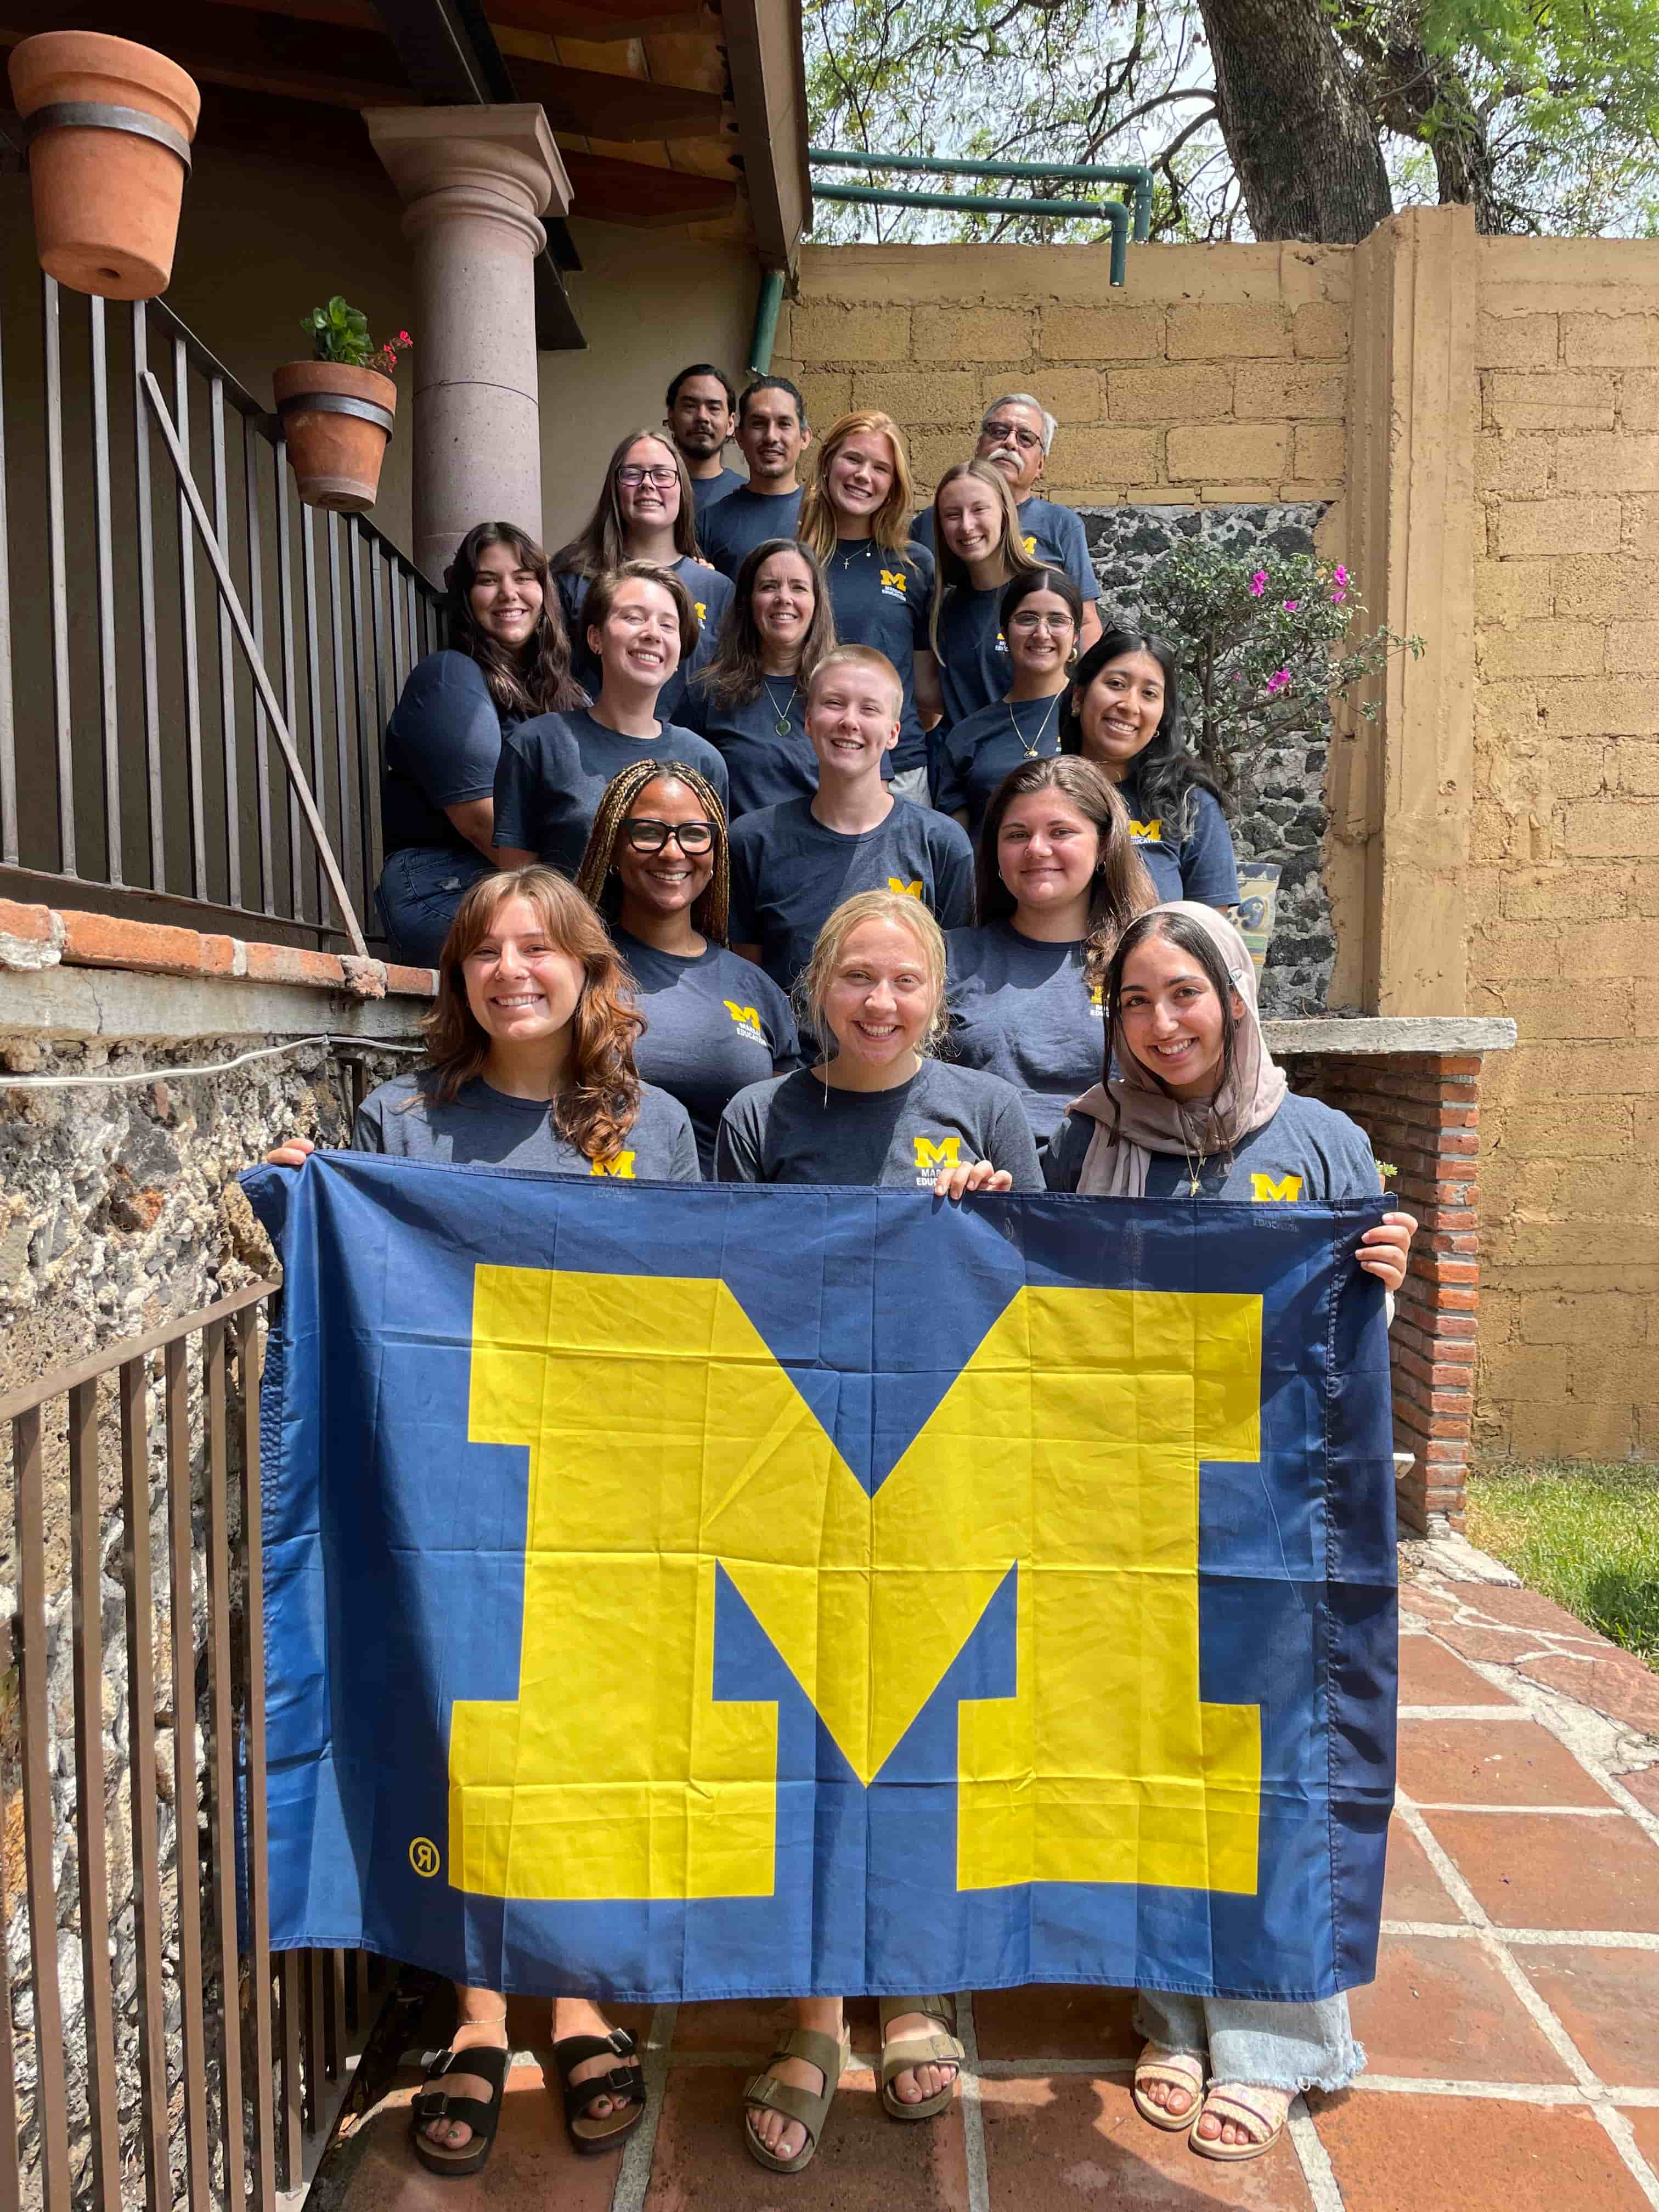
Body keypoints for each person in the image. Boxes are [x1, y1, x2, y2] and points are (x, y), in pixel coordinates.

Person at [262, 865, 700, 2177]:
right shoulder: (400, 1123)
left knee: (585, 1738)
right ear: (458, 981)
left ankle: (575, 2000)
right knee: (461, 1729)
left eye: (540, 948)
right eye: (485, 953)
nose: (514, 971)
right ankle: (475, 2017)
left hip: (608, 1487)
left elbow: (701, 1307)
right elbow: (353, 1280)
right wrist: (297, 1187)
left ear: (585, 971)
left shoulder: (655, 1125)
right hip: (444, 1490)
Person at [1043, 899, 1415, 2163]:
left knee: (1273, 1763)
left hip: (1273, 1518)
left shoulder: (1320, 1143)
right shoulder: (1087, 1143)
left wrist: (1386, 1264)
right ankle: (1174, 2008)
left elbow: (1355, 1342)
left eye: (1183, 995)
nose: (1160, 1025)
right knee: (1147, 1750)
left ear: (1238, 996)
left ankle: (1276, 2037)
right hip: (1126, 1510)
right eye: (1134, 1003)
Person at [716, 887, 1040, 2175]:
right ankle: (814, 2020)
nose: (882, 1003)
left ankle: (912, 1992)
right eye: (859, 979)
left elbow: (1043, 1286)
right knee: (805, 1733)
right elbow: (722, 1286)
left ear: (938, 997)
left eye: (906, 982)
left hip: (943, 1469)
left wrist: (992, 1213)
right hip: (796, 1465)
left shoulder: (990, 1109)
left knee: (917, 1725)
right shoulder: (759, 1117)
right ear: (818, 990)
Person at [574, 759, 800, 1174]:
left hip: (727, 1224)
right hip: (605, 1215)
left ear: (715, 855)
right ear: (612, 846)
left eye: (695, 835)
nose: (672, 851)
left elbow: (785, 1139)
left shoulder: (758, 989)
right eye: (647, 832)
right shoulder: (575, 972)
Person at [727, 646, 974, 1024]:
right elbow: (750, 982)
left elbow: (951, 983)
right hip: (793, 1067)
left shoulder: (941, 843)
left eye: (869, 709)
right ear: (808, 720)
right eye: (834, 703)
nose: (849, 721)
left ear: (894, 733)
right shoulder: (753, 841)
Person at [376, 521, 585, 964]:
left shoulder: (568, 695)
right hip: (443, 879)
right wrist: (577, 908)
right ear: (468, 600)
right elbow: (479, 821)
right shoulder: (450, 677)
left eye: (524, 578)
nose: (509, 593)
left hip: (526, 881)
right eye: (488, 581)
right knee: (574, 957)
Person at [945, 756, 1153, 1158]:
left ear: (1105, 844)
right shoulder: (947, 958)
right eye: (1017, 835)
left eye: (1061, 832)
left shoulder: (1146, 962)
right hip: (978, 1192)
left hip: (1116, 1191)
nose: (1037, 849)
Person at [492, 561, 730, 877]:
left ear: (678, 656)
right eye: (634, 617)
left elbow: (710, 884)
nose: (652, 634)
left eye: (668, 625)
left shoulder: (705, 761)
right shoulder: (539, 744)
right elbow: (517, 888)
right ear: (596, 639)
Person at [795, 409, 940, 803]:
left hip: (900, 766)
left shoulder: (914, 564)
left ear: (893, 486)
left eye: (881, 468)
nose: (864, 476)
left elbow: (925, 693)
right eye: (853, 459)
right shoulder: (793, 560)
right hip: (803, 758)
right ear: (827, 465)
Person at [549, 429, 732, 721]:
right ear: (615, 487)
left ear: (682, 489)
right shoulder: (573, 576)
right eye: (633, 474)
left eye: (662, 474)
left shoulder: (718, 590)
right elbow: (549, 674)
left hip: (687, 759)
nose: (648, 484)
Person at [1059, 630, 1238, 907]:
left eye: (1149, 694)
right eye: (1117, 684)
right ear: (1079, 696)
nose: (1130, 706)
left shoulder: (1190, 804)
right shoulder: (1041, 792)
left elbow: (1210, 930)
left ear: (1161, 718)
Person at [910, 394, 1102, 647]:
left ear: (1041, 464)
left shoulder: (1060, 524)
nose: (1010, 443)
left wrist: (1074, 682)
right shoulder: (929, 523)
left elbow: (1086, 622)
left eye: (1025, 438)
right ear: (979, 446)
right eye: (998, 431)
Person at [681, 537, 837, 820]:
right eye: (768, 587)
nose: (784, 599)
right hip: (739, 858)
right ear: (748, 601)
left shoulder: (844, 692)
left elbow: (869, 800)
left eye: (799, 587)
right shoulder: (708, 692)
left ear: (817, 603)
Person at [933, 568, 1083, 838]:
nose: (1041, 633)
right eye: (1027, 619)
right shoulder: (969, 735)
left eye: (1058, 621)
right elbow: (956, 848)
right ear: (1004, 632)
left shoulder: (1091, 717)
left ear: (1076, 636)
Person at [926, 462, 1039, 736]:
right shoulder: (945, 607)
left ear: (1004, 511)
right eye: (952, 515)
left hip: (1030, 767)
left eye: (979, 509)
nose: (966, 526)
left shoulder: (1041, 594)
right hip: (959, 769)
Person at [698, 377, 812, 578]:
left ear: (804, 438)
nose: (771, 437)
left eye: (784, 424)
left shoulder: (823, 515)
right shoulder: (709, 521)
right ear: (740, 437)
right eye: (759, 424)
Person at [664, 362, 745, 515]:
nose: (702, 417)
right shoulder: (648, 490)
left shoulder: (746, 498)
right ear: (672, 418)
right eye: (690, 406)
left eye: (714, 408)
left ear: (730, 423)